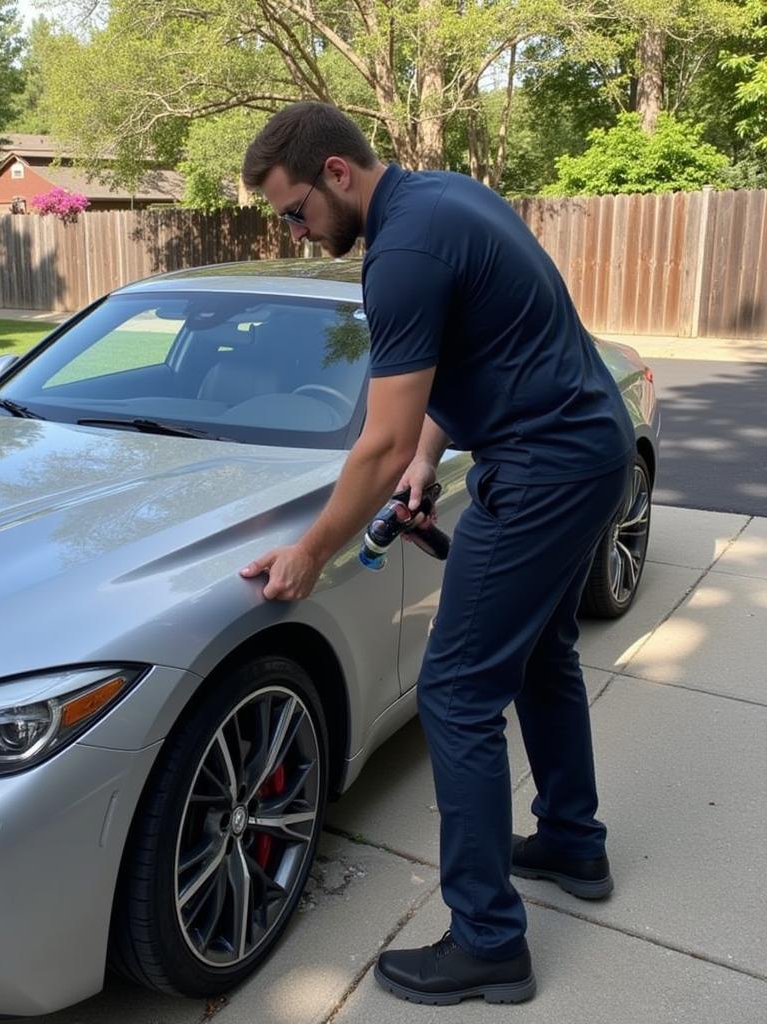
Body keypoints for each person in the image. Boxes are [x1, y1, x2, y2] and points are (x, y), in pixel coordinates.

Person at [238, 102, 635, 1006]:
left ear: (337, 172)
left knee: (455, 691)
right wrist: (429, 455)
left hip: (543, 471)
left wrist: (310, 550)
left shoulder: (403, 255)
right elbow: (486, 357)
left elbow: (373, 445)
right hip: (587, 448)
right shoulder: (445, 199)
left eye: (294, 212)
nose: (296, 234)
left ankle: (489, 940)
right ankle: (574, 840)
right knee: (543, 653)